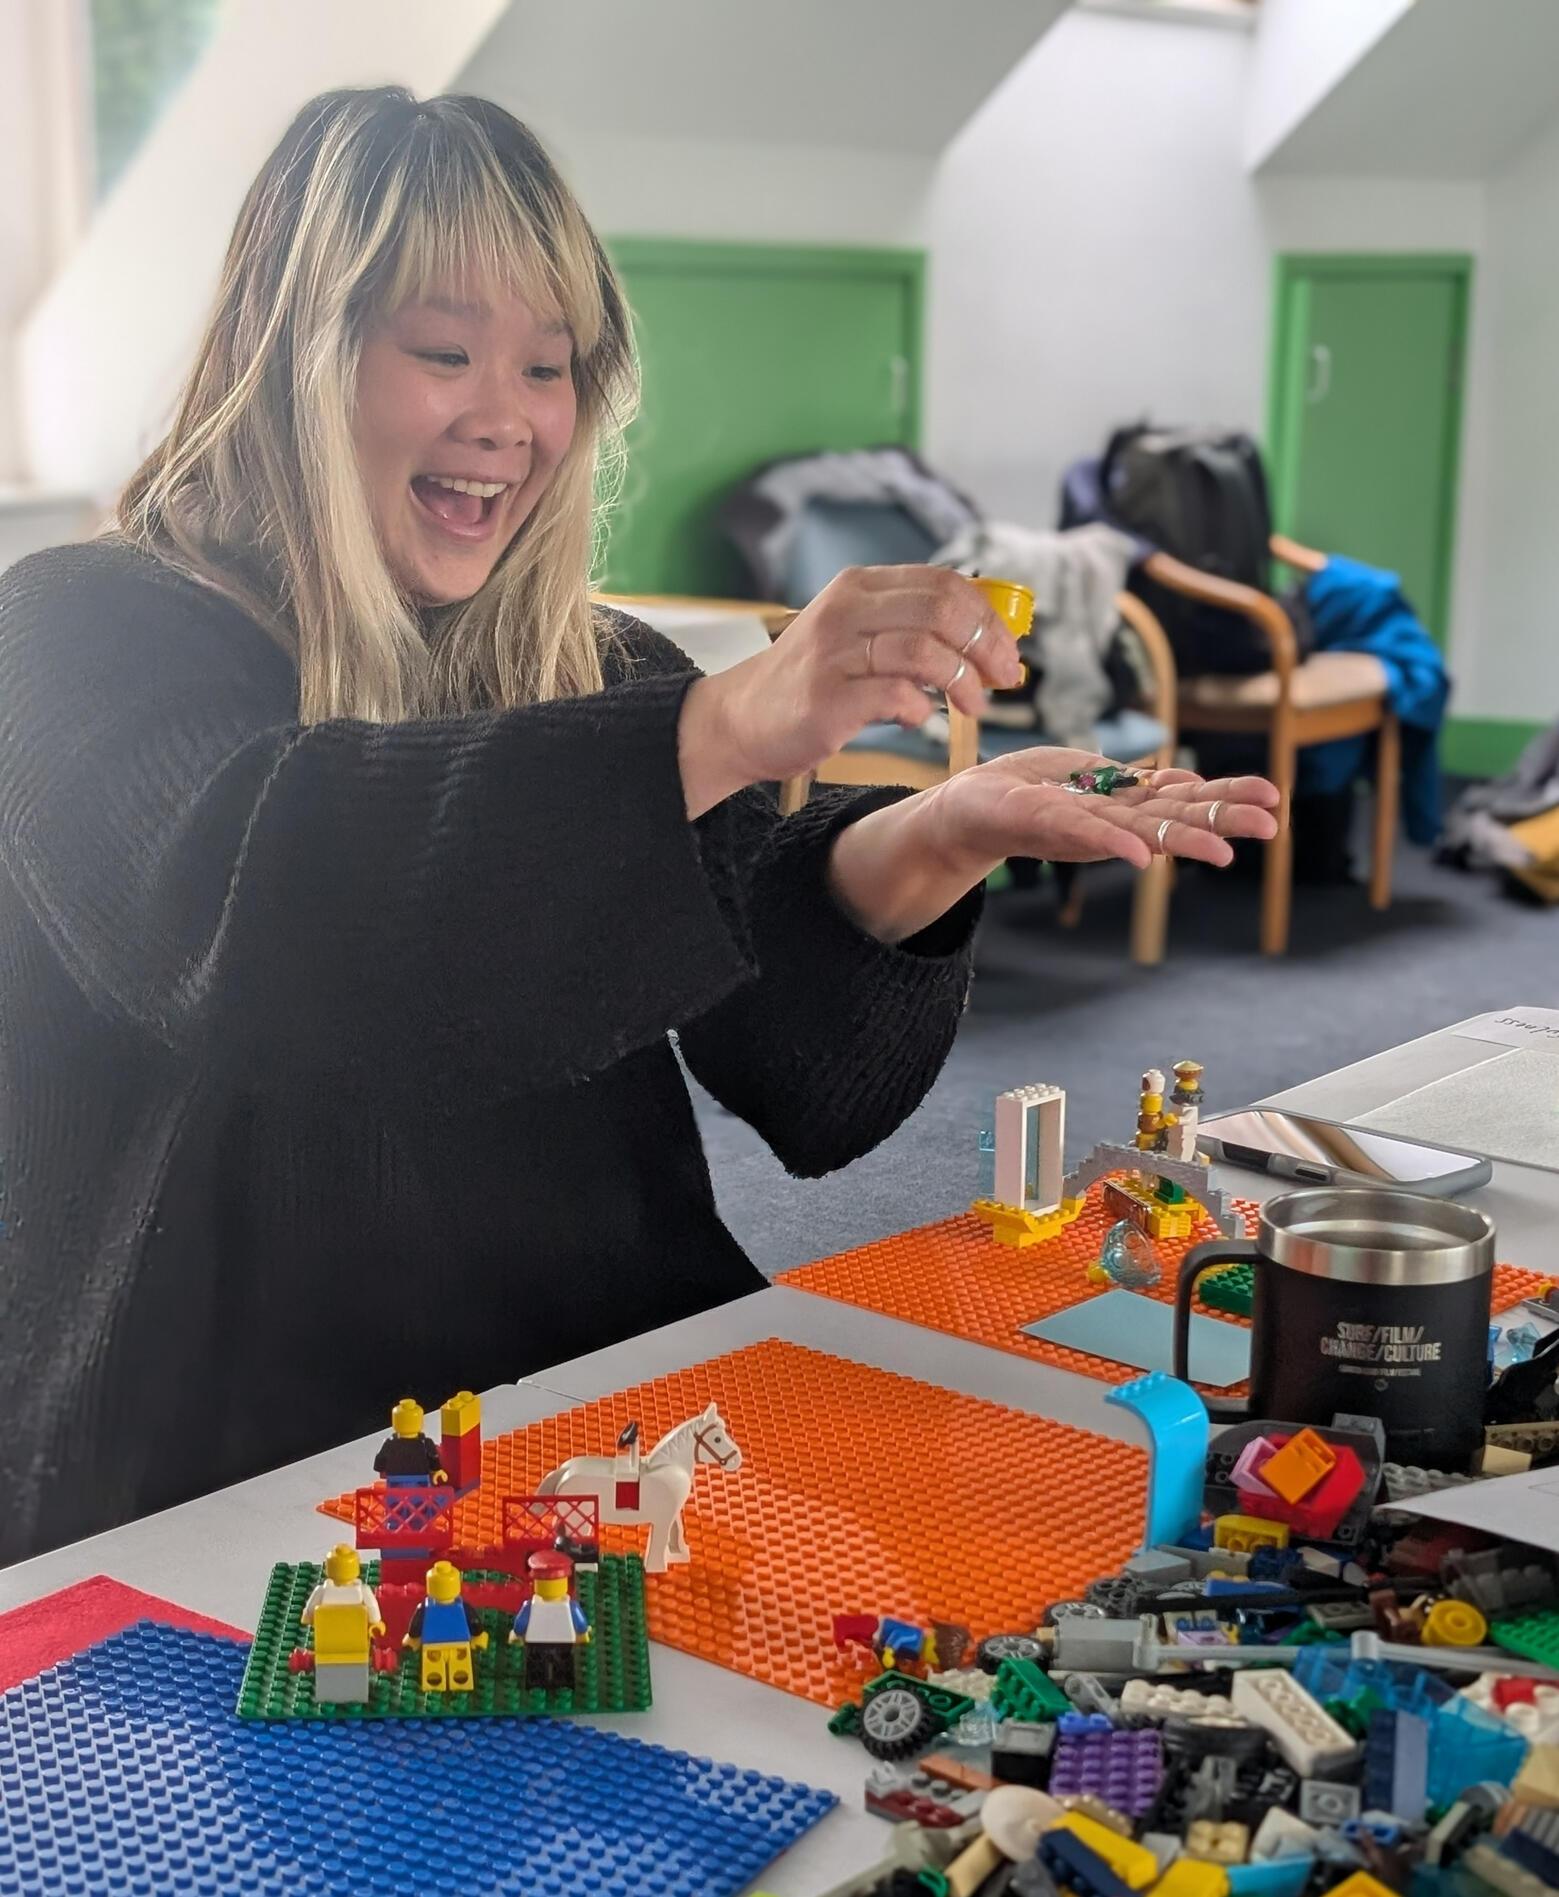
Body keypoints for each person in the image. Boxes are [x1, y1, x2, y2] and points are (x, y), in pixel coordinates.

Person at [0, 88, 1278, 1565]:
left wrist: (936, 839)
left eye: (549, 367)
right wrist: (725, 725)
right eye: (443, 352)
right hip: (225, 1456)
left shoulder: (589, 668)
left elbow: (804, 1077)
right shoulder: (77, 633)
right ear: (292, 357)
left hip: (597, 1399)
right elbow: (268, 919)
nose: (508, 420)